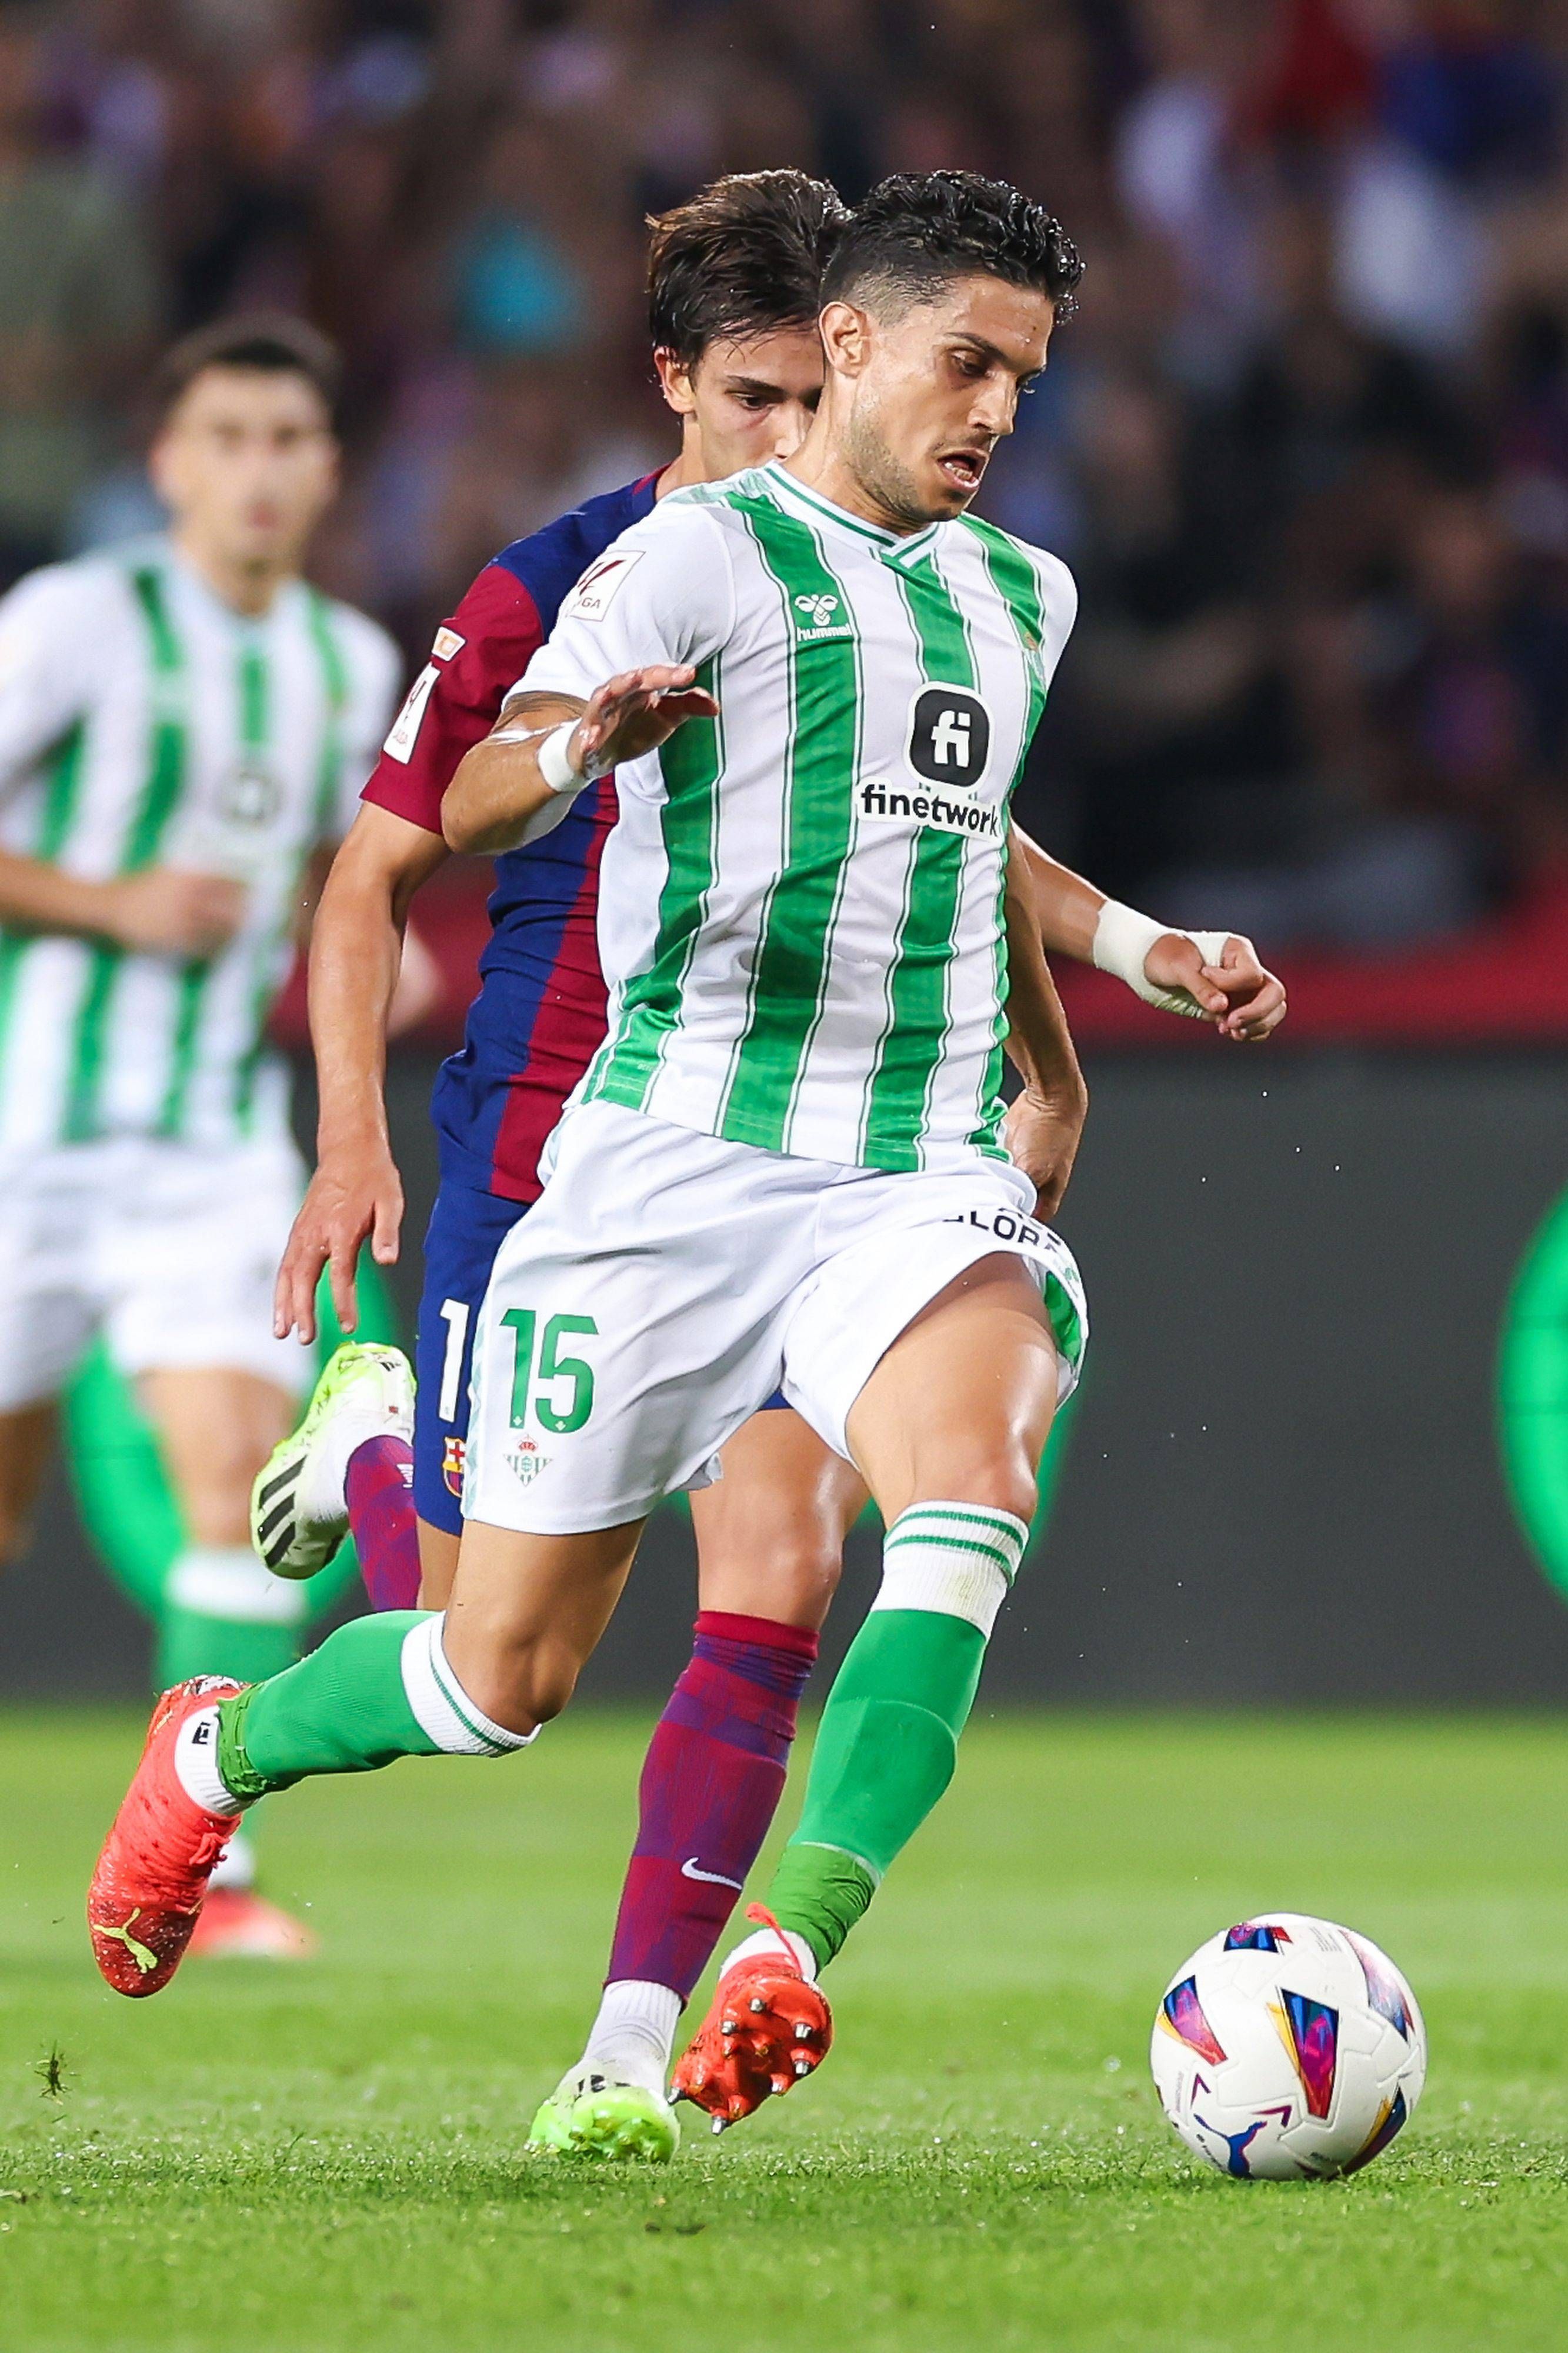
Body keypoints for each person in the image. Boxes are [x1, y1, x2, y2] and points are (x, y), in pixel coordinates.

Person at [88, 176, 1285, 2162]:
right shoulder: (675, 561)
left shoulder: (1023, 592)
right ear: (842, 348)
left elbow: (952, 830)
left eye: (1024, 378)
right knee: (493, 1681)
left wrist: (1120, 982)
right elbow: (451, 806)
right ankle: (219, 1741)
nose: (995, 410)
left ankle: (765, 1965)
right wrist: (577, 748)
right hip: (638, 1173)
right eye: (964, 362)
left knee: (953, 1495)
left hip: (898, 1181)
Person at [0, 315, 406, 1953]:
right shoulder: (77, 622)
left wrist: (365, 946)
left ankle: (204, 1874)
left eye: (287, 440)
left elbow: (333, 874)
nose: (257, 470)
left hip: (209, 1147)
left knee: (240, 1482)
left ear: (326, 470)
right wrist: (108, 903)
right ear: (166, 463)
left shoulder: (349, 663)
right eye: (224, 437)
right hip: (27, 1131)